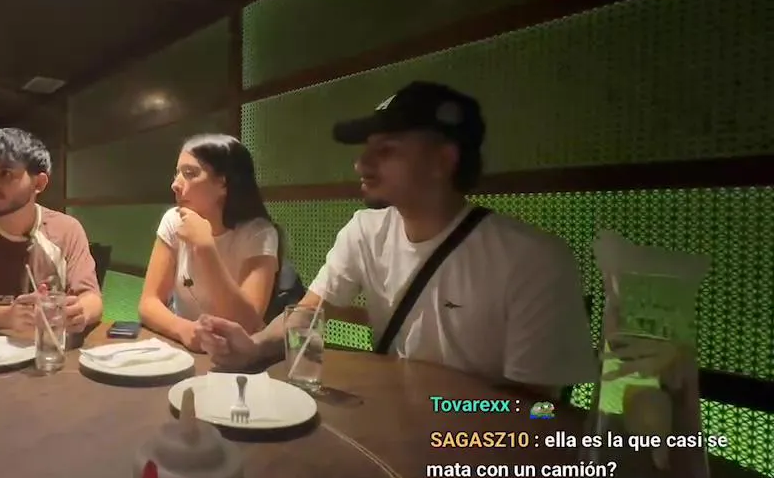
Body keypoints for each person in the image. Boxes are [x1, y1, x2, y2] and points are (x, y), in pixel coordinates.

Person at [193, 82, 595, 400]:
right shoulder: (366, 230)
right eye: (366, 150)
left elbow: (541, 407)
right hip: (393, 426)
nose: (361, 164)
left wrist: (439, 412)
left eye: (386, 151)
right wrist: (254, 346)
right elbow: (307, 314)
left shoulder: (533, 259)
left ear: (443, 161)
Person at [0, 128, 102, 335]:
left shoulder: (66, 230)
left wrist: (79, 313)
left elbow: (91, 298)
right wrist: (5, 316)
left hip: (42, 349)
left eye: (5, 174)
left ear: (39, 183)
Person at [139, 134, 280, 349]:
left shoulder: (259, 234)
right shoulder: (173, 221)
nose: (175, 184)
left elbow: (248, 325)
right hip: (183, 351)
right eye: (177, 173)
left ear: (223, 183)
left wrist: (205, 247)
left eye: (190, 174)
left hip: (236, 356)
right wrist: (184, 330)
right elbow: (148, 303)